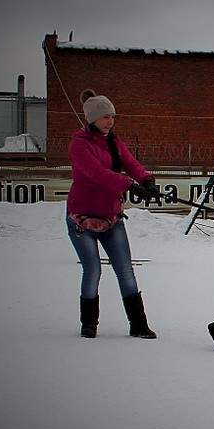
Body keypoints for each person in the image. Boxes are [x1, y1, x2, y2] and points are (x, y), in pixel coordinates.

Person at [67, 89, 159, 339]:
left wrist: (146, 180)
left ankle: (138, 324)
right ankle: (89, 323)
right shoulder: (79, 145)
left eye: (112, 117)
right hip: (81, 218)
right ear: (92, 118)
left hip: (111, 217)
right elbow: (96, 174)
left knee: (125, 270)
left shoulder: (113, 142)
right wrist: (129, 185)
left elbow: (131, 163)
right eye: (105, 116)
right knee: (93, 269)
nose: (110, 121)